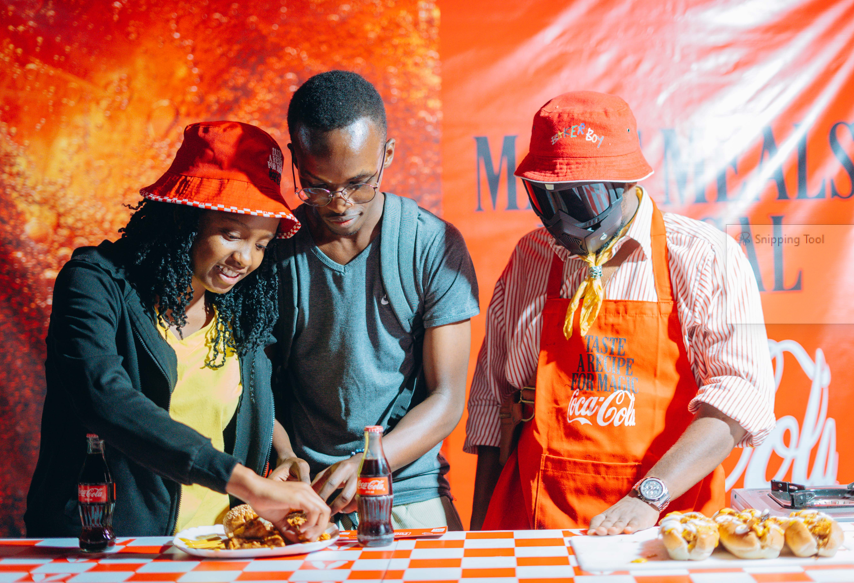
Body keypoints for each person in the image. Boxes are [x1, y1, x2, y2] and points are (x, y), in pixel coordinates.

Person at [465, 91, 776, 533]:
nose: (559, 222)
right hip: (539, 524)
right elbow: (496, 402)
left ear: (627, 183)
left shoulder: (704, 257)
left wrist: (648, 497)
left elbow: (739, 401)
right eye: (543, 198)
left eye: (578, 201)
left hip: (666, 528)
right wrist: (480, 532)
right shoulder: (532, 256)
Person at [25, 121, 330, 540]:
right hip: (106, 547)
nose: (245, 259)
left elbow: (234, 400)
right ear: (183, 220)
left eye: (261, 244)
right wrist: (245, 482)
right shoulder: (94, 283)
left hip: (212, 546)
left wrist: (283, 453)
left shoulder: (235, 312)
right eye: (230, 234)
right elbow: (105, 398)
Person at [270, 70, 479, 530]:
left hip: (407, 486)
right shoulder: (271, 250)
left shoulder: (432, 245)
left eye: (359, 183)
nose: (340, 203)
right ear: (295, 159)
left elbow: (446, 399)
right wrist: (284, 456)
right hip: (307, 500)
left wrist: (372, 460)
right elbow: (251, 383)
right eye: (318, 186)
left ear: (387, 154)